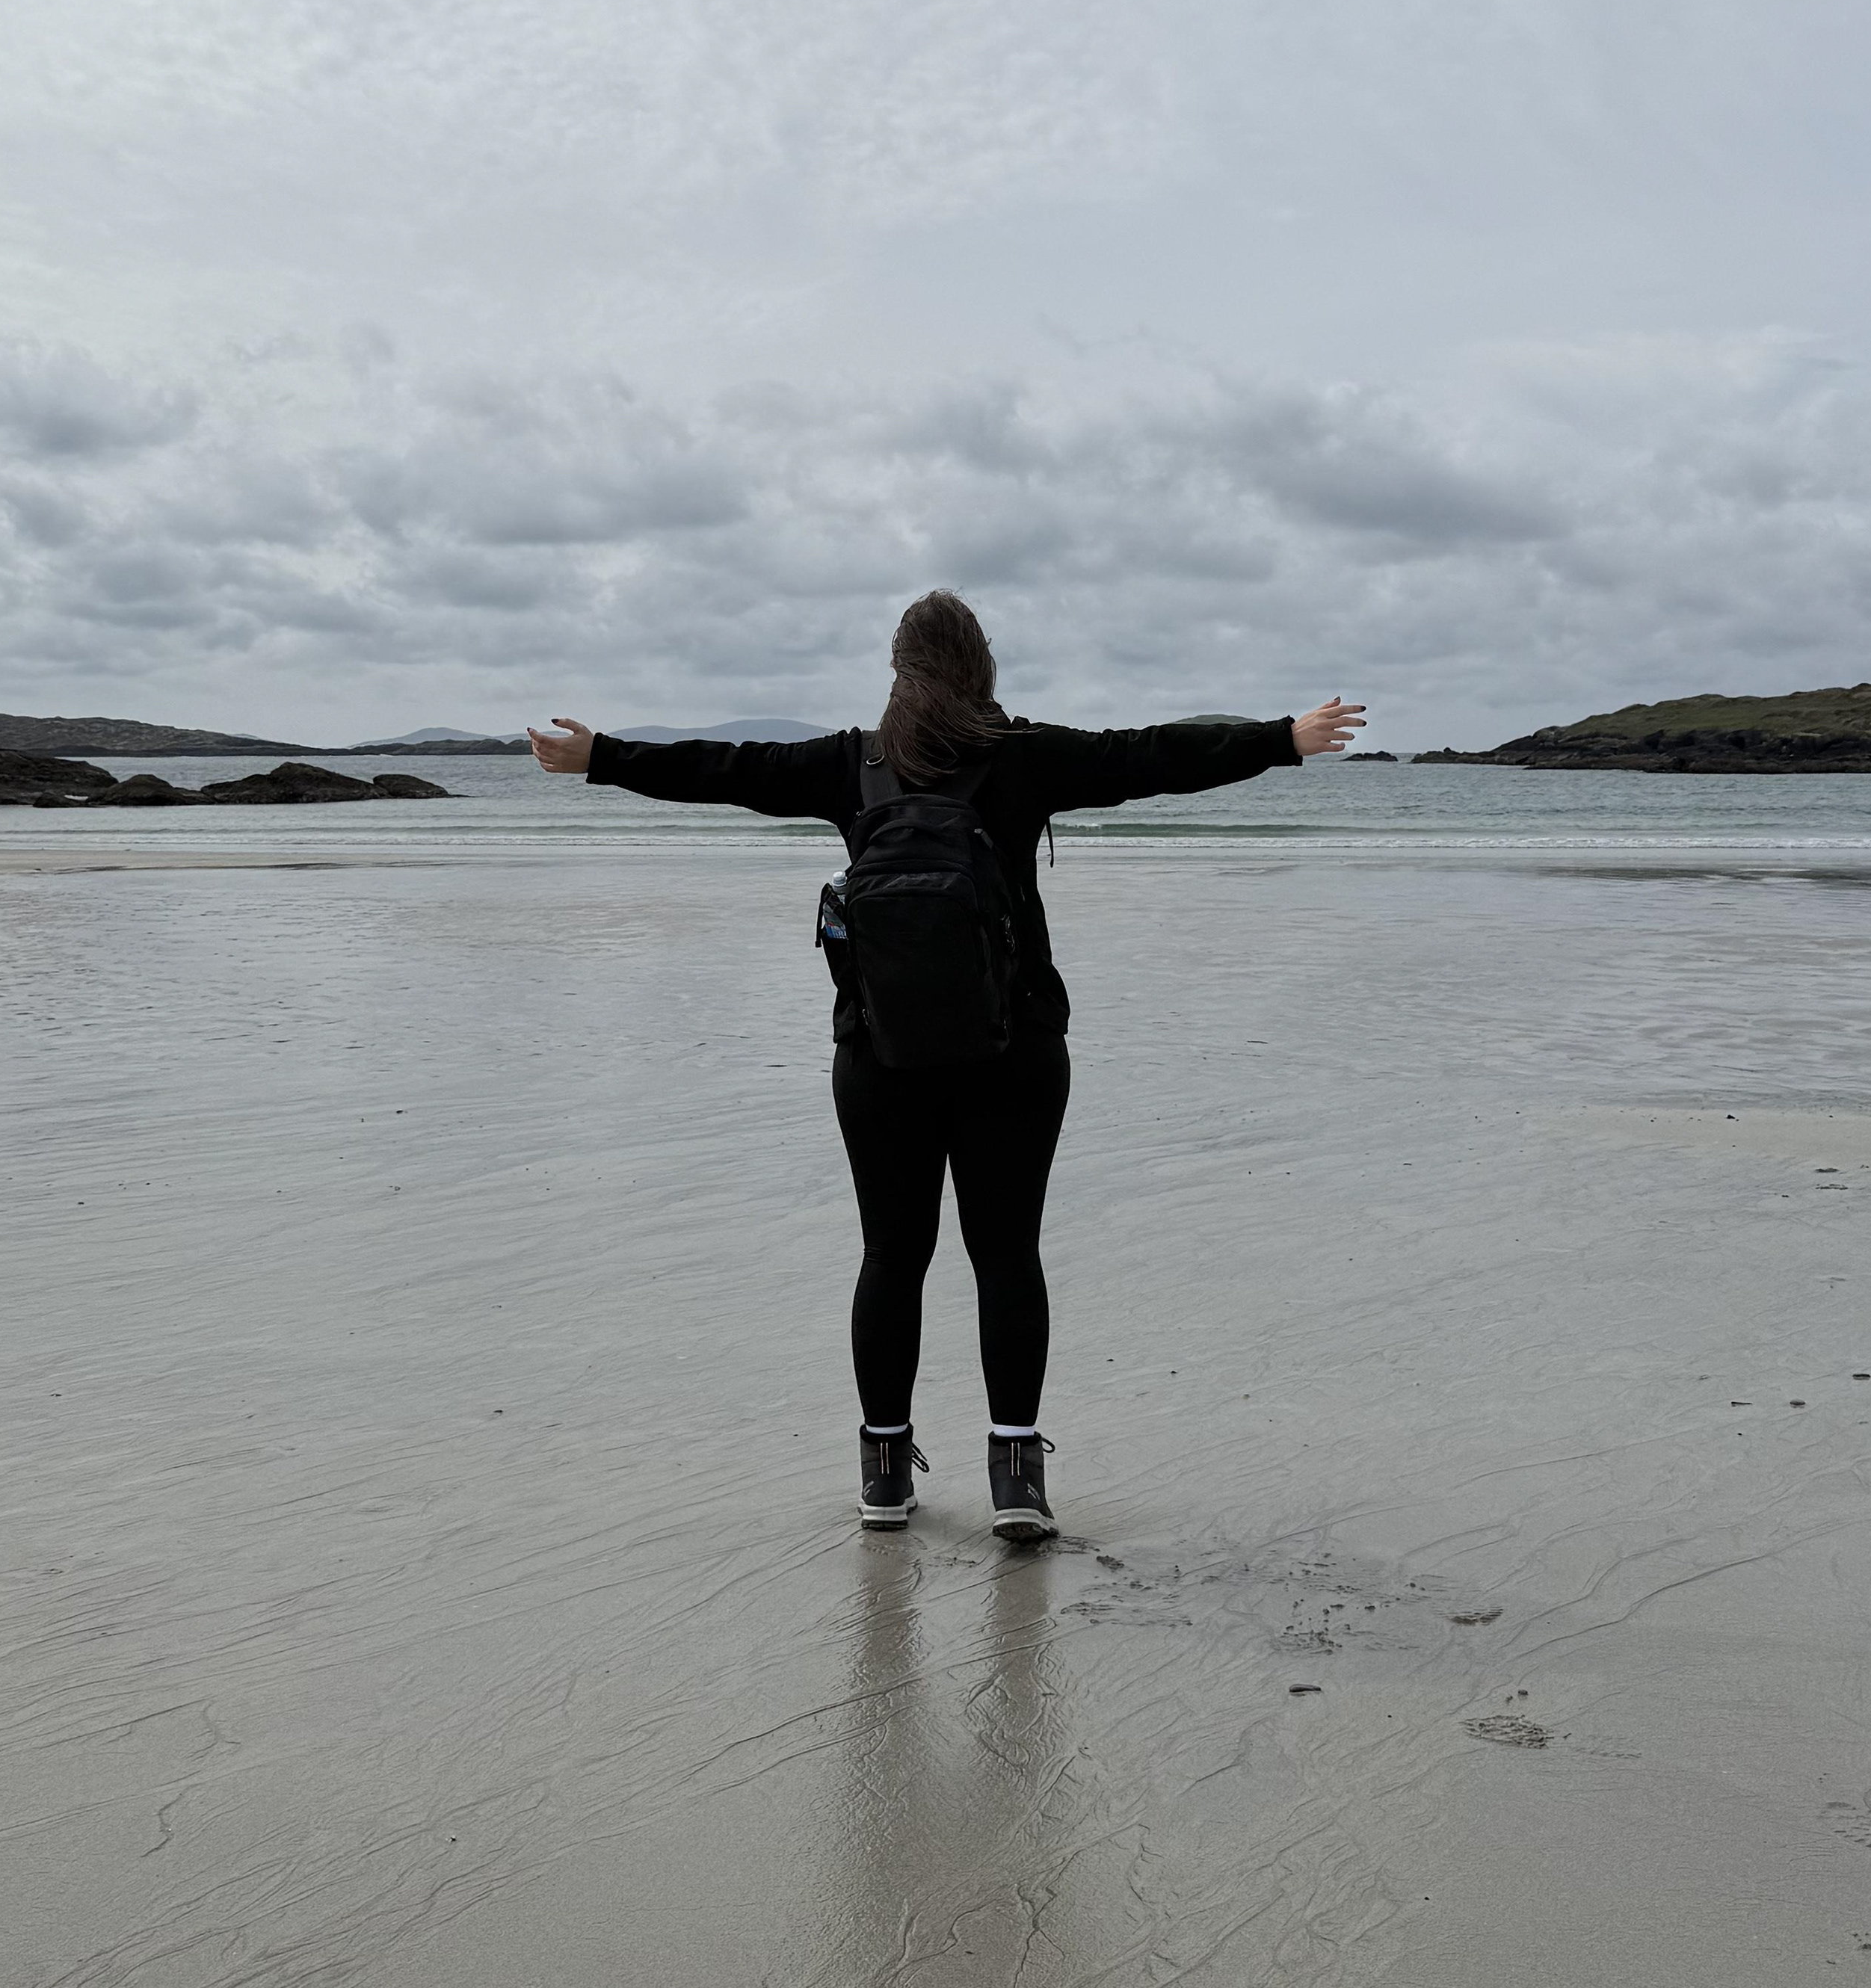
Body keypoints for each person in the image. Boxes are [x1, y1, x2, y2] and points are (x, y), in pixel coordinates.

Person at [529, 591, 1364, 1540]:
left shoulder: (851, 762)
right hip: (1014, 1044)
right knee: (1006, 1252)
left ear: (898, 669)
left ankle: (885, 1471)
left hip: (878, 1049)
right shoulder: (1024, 754)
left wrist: (601, 756)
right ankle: (1016, 1474)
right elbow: (1148, 755)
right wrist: (1278, 738)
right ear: (982, 666)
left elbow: (728, 769)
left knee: (892, 1253)